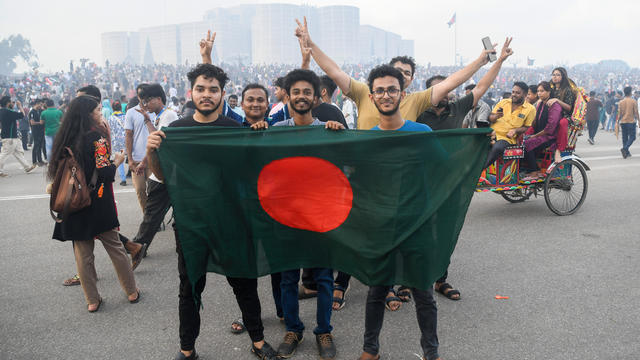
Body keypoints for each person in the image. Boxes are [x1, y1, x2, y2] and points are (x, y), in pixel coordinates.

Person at [147, 60, 277, 360]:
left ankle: (257, 341)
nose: (207, 94)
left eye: (213, 90)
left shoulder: (234, 130)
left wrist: (259, 135)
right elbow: (163, 176)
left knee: (245, 282)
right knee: (190, 289)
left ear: (222, 94)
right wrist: (153, 150)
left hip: (232, 222)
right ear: (191, 93)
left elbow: (253, 172)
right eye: (201, 89)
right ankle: (187, 348)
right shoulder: (176, 131)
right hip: (192, 225)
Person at [359, 65, 440, 360]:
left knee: (423, 293)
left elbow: (443, 168)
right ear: (371, 97)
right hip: (382, 227)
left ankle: (431, 352)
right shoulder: (366, 139)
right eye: (379, 90)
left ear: (402, 94)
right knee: (376, 291)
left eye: (392, 89)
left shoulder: (422, 133)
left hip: (417, 225)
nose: (386, 95)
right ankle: (370, 349)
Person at [296, 16, 498, 130]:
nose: (385, 96)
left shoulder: (417, 101)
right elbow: (334, 71)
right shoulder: (362, 91)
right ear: (372, 94)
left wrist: (480, 61)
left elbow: (451, 82)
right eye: (397, 71)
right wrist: (310, 43)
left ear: (407, 84)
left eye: (406, 73)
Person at [48, 95, 140, 312]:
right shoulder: (96, 139)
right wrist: (116, 161)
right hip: (97, 202)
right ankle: (131, 292)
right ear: (89, 114)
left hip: (74, 203)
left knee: (83, 253)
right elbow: (105, 173)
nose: (101, 112)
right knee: (116, 248)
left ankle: (92, 300)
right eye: (98, 109)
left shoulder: (65, 140)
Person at [417, 37, 513, 131]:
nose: (444, 94)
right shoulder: (418, 112)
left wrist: (500, 60)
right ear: (428, 93)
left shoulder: (457, 108)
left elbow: (481, 87)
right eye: (439, 91)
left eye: (446, 90)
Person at [129, 83, 178, 261]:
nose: (145, 105)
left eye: (147, 100)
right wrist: (144, 162)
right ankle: (139, 245)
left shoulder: (168, 115)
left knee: (152, 213)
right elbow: (153, 146)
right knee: (154, 213)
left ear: (159, 99)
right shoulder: (160, 115)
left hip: (165, 174)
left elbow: (157, 141)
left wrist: (147, 120)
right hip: (161, 172)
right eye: (142, 101)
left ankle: (138, 246)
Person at [484, 82, 536, 168]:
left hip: (507, 138)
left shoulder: (530, 109)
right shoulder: (503, 102)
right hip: (491, 133)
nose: (514, 95)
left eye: (518, 93)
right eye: (513, 92)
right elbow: (490, 117)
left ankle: (480, 170)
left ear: (525, 94)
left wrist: (515, 130)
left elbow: (526, 127)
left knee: (498, 148)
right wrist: (495, 116)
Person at [521, 81, 563, 179]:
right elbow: (535, 121)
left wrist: (534, 136)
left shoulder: (554, 105)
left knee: (527, 143)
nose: (539, 93)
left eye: (542, 91)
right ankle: (529, 168)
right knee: (520, 141)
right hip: (540, 134)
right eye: (538, 91)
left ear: (549, 92)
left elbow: (550, 128)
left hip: (549, 137)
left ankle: (534, 172)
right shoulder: (540, 104)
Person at [125, 84, 154, 211]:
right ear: (137, 96)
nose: (144, 99)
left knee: (154, 191)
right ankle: (147, 215)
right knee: (140, 190)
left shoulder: (154, 113)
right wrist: (130, 159)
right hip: (137, 159)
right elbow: (128, 136)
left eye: (146, 96)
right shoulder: (131, 113)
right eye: (141, 95)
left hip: (153, 159)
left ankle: (155, 217)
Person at [0, 96, 37, 177]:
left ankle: (27, 167)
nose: (13, 104)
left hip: (11, 136)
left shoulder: (3, 111)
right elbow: (22, 115)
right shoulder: (7, 112)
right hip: (10, 137)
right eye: (11, 102)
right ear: (7, 103)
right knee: (4, 154)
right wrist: (20, 106)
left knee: (18, 153)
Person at [547, 67, 576, 163]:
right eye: (553, 75)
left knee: (562, 123)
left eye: (558, 75)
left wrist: (557, 100)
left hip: (565, 116)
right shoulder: (551, 90)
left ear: (563, 77)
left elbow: (569, 108)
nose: (555, 77)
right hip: (552, 115)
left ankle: (558, 151)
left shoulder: (567, 90)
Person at [108, 100, 128, 185]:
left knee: (119, 159)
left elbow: (109, 130)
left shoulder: (110, 118)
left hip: (116, 141)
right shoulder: (126, 116)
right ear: (121, 107)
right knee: (130, 156)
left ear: (112, 108)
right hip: (127, 140)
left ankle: (123, 179)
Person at [616, 86, 639, 158]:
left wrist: (617, 121)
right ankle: (625, 149)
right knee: (632, 137)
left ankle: (626, 152)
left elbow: (619, 113)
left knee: (624, 137)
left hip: (623, 121)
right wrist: (639, 120)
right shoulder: (633, 101)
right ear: (630, 92)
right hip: (631, 121)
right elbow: (636, 112)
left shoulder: (621, 102)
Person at [29, 99, 46, 166]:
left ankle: (40, 160)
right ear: (36, 104)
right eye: (40, 104)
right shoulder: (32, 112)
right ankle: (34, 161)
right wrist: (40, 122)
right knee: (36, 145)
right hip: (35, 131)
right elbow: (32, 123)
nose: (41, 106)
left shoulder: (40, 111)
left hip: (41, 130)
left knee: (40, 145)